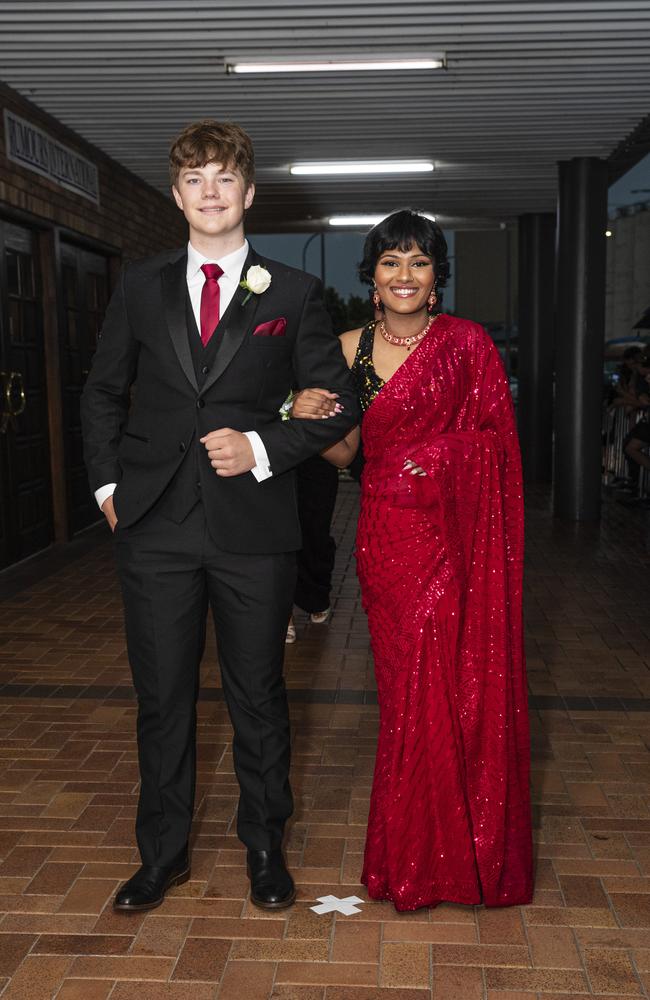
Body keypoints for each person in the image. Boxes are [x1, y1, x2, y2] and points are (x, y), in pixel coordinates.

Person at [80, 119, 358, 913]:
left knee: (258, 693)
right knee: (162, 698)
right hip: (155, 527)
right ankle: (160, 855)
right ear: (177, 195)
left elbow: (334, 406)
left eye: (224, 178)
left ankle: (265, 847)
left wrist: (263, 447)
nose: (210, 192)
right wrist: (107, 492)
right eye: (195, 179)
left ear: (248, 192)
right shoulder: (140, 285)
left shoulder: (294, 294)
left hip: (253, 527)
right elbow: (102, 393)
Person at [292, 210, 533, 911]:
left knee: (460, 689)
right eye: (390, 261)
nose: (404, 274)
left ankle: (465, 853)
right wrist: (304, 417)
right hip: (387, 539)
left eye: (418, 262)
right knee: (407, 696)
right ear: (370, 277)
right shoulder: (346, 349)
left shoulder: (468, 345)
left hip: (459, 539)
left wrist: (437, 456)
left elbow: (498, 446)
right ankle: (416, 855)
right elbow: (347, 456)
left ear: (437, 277)